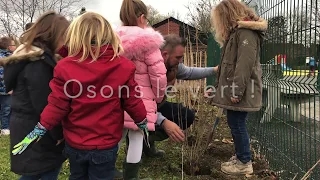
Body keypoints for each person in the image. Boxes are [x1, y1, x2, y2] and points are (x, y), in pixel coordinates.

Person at [11, 12, 149, 180]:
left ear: (75, 35)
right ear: (108, 35)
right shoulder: (123, 66)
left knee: (77, 176)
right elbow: (132, 101)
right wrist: (142, 122)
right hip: (105, 144)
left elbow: (56, 105)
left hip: (75, 144)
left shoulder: (65, 67)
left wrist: (39, 130)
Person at [1, 11, 69, 179]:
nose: (65, 41)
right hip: (38, 131)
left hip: (27, 126)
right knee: (47, 170)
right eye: (63, 36)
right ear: (53, 35)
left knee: (34, 172)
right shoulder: (38, 64)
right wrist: (59, 134)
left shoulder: (29, 58)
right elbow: (45, 105)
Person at [210, 0, 267, 175]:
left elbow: (244, 65)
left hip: (242, 90)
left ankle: (244, 162)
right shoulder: (238, 33)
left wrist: (236, 90)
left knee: (237, 123)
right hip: (239, 89)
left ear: (227, 15)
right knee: (235, 122)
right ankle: (241, 155)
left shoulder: (245, 33)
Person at [143, 34, 219, 157]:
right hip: (138, 111)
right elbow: (140, 105)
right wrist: (163, 122)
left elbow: (189, 72)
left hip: (157, 106)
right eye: (178, 57)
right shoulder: (145, 70)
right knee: (150, 119)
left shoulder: (173, 66)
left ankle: (148, 140)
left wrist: (214, 70)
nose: (180, 61)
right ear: (164, 54)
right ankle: (139, 139)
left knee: (186, 116)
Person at [116, 0, 167, 179]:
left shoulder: (112, 41)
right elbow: (158, 75)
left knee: (117, 135)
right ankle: (130, 177)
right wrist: (159, 97)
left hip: (114, 98)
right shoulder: (149, 42)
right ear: (142, 17)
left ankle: (106, 169)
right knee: (137, 136)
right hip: (140, 100)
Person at [0, 36, 15, 135]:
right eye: (14, 45)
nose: (15, 46)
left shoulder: (12, 56)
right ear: (9, 46)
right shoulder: (6, 58)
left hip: (5, 89)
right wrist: (9, 87)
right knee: (6, 109)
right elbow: (3, 74)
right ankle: (5, 128)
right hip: (5, 89)